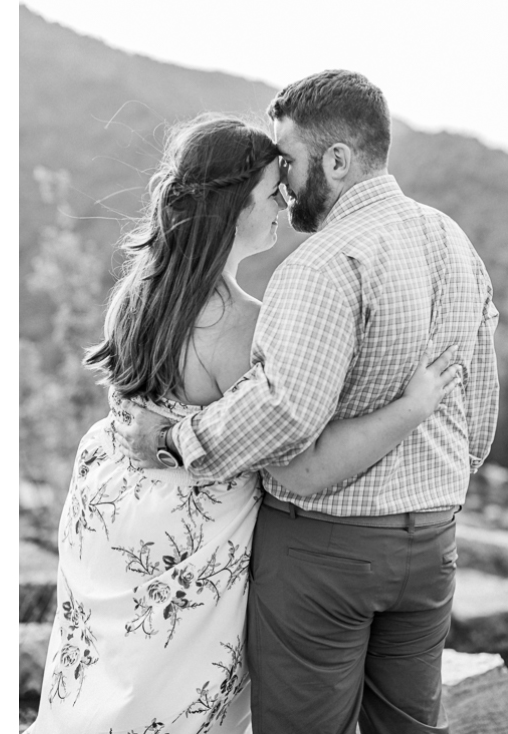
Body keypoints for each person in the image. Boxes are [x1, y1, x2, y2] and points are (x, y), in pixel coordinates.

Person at [116, 72, 499, 734]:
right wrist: (434, 488)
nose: (285, 184)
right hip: (433, 543)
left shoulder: (321, 265)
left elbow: (284, 410)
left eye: (288, 160)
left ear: (338, 159)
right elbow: (481, 410)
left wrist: (174, 441)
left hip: (325, 552)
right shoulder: (454, 243)